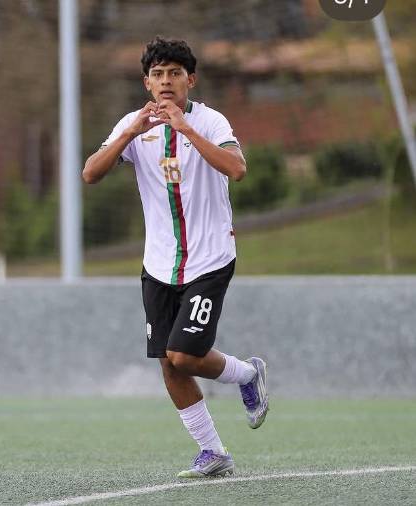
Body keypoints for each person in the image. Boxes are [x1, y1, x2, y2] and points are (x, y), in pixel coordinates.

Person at [82, 36, 268, 478]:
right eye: (158, 74)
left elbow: (237, 168)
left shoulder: (210, 120)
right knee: (169, 362)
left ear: (191, 80)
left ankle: (246, 374)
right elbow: (90, 173)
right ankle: (213, 451)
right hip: (159, 265)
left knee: (184, 355)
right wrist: (128, 133)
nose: (166, 82)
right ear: (147, 83)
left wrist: (186, 129)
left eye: (175, 74)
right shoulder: (133, 124)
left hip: (210, 259)